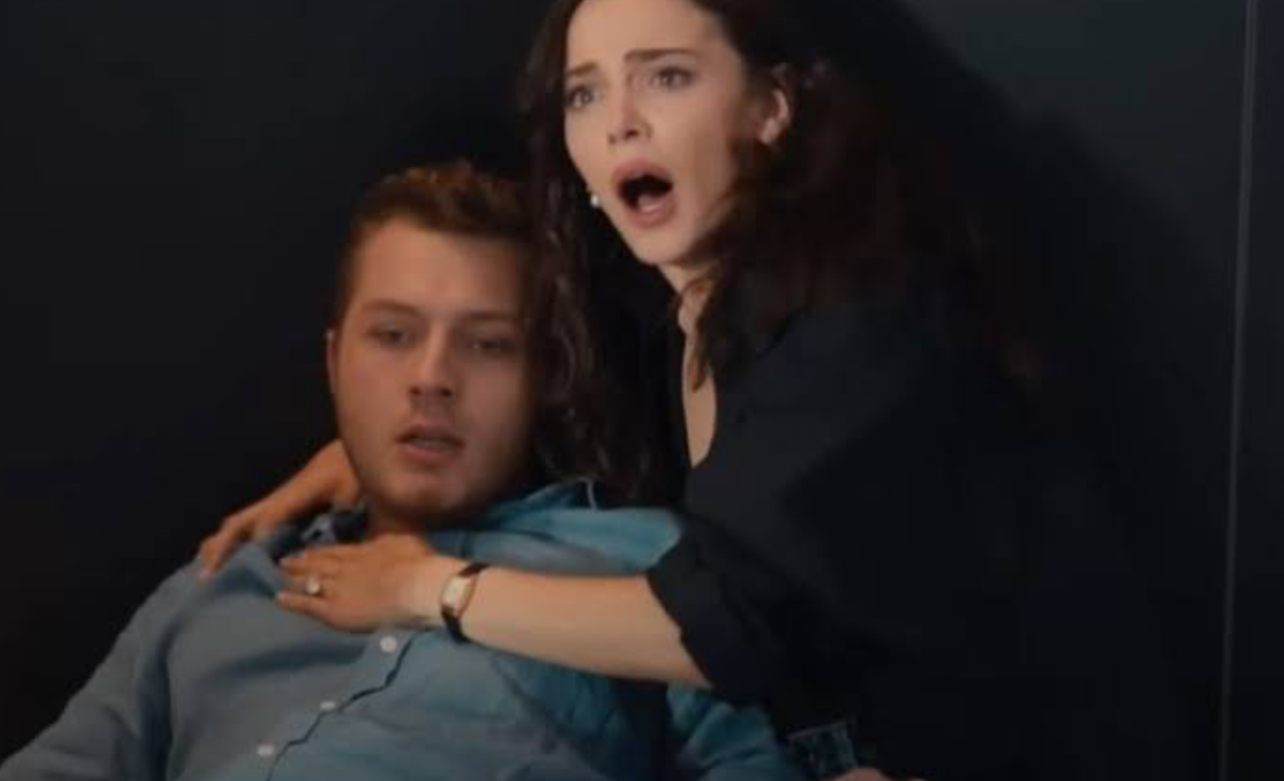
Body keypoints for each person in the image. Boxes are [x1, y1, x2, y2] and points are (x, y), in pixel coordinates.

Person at [202, 1, 1186, 779]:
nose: (619, 120)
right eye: (585, 93)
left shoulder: (863, 315)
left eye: (665, 76)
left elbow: (723, 624)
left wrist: (430, 590)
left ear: (772, 109)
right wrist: (364, 451)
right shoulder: (668, 312)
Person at [0, 161, 806, 781]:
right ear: (334, 363)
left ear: (542, 378)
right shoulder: (218, 583)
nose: (432, 377)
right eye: (393, 335)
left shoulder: (642, 565)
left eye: (487, 344)